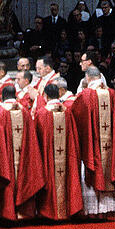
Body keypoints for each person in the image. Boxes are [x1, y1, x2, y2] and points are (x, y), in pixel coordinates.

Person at [71, 67, 115, 219]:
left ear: (87, 78)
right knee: (109, 168)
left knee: (93, 167)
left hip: (93, 146)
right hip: (111, 148)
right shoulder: (113, 95)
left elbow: (75, 117)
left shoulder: (85, 95)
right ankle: (107, 211)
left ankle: (93, 213)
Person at [0, 85, 44, 221]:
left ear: (2, 97)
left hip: (4, 162)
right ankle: (23, 212)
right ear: (16, 96)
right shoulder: (25, 112)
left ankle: (5, 212)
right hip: (23, 160)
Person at [35, 84, 84, 220]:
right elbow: (72, 137)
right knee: (66, 178)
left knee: (51, 177)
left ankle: (49, 213)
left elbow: (37, 139)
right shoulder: (67, 112)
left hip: (49, 157)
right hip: (66, 156)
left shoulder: (42, 113)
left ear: (45, 96)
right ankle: (66, 211)